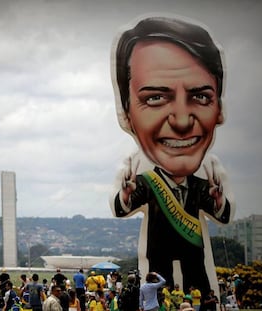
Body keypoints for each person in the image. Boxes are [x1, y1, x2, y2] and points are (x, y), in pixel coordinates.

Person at [110, 15, 233, 297]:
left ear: (220, 109)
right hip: (158, 257)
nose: (180, 121)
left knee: (198, 286)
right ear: (126, 113)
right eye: (155, 97)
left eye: (201, 96)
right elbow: (120, 208)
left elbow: (221, 213)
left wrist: (219, 201)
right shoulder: (144, 180)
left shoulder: (205, 183)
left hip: (195, 259)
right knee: (159, 290)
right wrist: (126, 194)